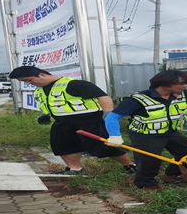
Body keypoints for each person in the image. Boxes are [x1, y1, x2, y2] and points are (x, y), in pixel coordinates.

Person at [8, 66, 136, 175]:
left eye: (29, 80)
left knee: (103, 147)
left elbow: (103, 96)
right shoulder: (40, 90)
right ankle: (75, 169)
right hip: (62, 122)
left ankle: (129, 165)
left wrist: (108, 113)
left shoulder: (73, 84)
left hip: (88, 121)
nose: (29, 83)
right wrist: (44, 114)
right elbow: (48, 103)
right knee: (63, 146)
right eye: (25, 82)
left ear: (42, 74)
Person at [104, 70, 187, 191]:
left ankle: (174, 174)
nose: (185, 86)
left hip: (170, 131)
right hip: (145, 135)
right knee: (150, 160)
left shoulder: (184, 94)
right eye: (181, 83)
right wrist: (115, 136)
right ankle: (146, 183)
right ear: (164, 83)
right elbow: (112, 117)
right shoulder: (138, 99)